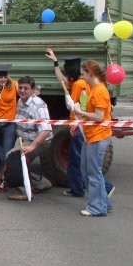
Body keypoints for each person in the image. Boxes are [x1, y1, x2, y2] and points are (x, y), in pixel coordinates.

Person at [46, 49, 114, 198]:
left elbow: (80, 105)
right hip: (80, 123)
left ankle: (91, 189)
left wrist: (74, 109)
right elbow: (62, 79)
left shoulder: (79, 84)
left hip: (80, 124)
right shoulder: (78, 82)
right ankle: (78, 188)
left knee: (79, 160)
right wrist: (55, 62)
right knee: (79, 160)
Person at [72, 60, 113, 217]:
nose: (81, 77)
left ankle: (97, 207)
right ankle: (102, 203)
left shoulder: (99, 90)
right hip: (92, 135)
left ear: (91, 73)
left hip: (98, 135)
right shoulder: (95, 89)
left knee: (93, 172)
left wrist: (80, 114)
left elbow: (99, 116)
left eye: (83, 74)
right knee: (88, 170)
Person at [7, 76, 53, 201]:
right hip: (26, 139)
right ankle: (41, 183)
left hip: (41, 141)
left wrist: (32, 146)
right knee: (16, 158)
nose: (22, 90)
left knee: (15, 158)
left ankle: (24, 191)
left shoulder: (38, 105)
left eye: (25, 88)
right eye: (20, 88)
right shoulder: (21, 101)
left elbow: (45, 129)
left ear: (32, 90)